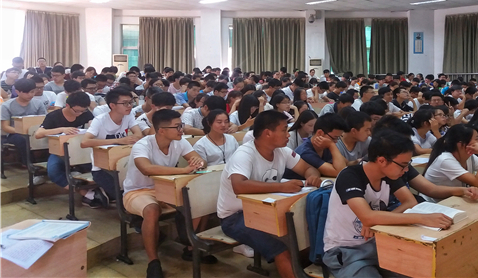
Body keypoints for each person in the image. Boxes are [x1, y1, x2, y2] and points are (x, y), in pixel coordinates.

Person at [323, 130, 455, 278]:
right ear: (381, 161)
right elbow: (367, 217)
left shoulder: (388, 175)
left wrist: (376, 221)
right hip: (346, 250)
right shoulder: (350, 176)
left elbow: (410, 201)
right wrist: (423, 218)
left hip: (378, 244)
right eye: (403, 165)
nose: (406, 170)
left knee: (421, 270)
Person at [217, 111, 322, 278]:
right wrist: (281, 187)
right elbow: (239, 185)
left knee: (303, 234)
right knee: (280, 247)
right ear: (267, 133)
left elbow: (308, 168)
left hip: (265, 211)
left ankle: (299, 270)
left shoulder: (282, 151)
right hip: (235, 217)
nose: (288, 134)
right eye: (284, 130)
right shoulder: (244, 154)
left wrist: (312, 176)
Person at [123, 109, 205, 278]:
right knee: (152, 210)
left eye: (181, 125)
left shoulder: (180, 142)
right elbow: (146, 169)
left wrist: (199, 162)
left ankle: (191, 247)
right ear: (161, 130)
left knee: (201, 201)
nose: (182, 130)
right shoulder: (143, 145)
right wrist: (183, 170)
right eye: (177, 126)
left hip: (165, 188)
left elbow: (198, 159)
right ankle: (153, 262)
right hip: (137, 191)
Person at [33, 92, 103, 207]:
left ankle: (103, 191)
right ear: (67, 105)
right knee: (53, 171)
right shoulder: (54, 116)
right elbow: (38, 134)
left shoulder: (85, 113)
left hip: (81, 151)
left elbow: (93, 125)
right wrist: (61, 129)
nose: (80, 114)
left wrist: (93, 126)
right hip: (60, 152)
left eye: (83, 111)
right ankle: (87, 194)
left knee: (99, 166)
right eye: (77, 111)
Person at [81, 87, 143, 204]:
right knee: (123, 199)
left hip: (124, 163)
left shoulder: (128, 116)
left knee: (137, 193)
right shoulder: (100, 120)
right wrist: (118, 141)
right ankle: (99, 193)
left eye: (131, 102)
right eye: (125, 103)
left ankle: (103, 193)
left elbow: (138, 134)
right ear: (112, 105)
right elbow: (85, 142)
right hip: (102, 168)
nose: (129, 106)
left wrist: (129, 139)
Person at [0, 78, 47, 177]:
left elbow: (44, 121)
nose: (30, 95)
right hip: (14, 134)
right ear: (17, 92)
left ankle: (49, 165)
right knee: (23, 140)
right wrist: (23, 131)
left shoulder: (38, 103)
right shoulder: (7, 106)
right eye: (27, 93)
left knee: (49, 137)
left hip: (35, 131)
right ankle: (31, 166)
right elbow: (6, 127)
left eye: (32, 92)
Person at [290, 113, 349, 177]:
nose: (336, 141)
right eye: (334, 138)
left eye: (338, 138)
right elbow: (340, 172)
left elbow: (346, 163)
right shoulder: (306, 152)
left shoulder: (325, 146)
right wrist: (331, 145)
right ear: (320, 133)